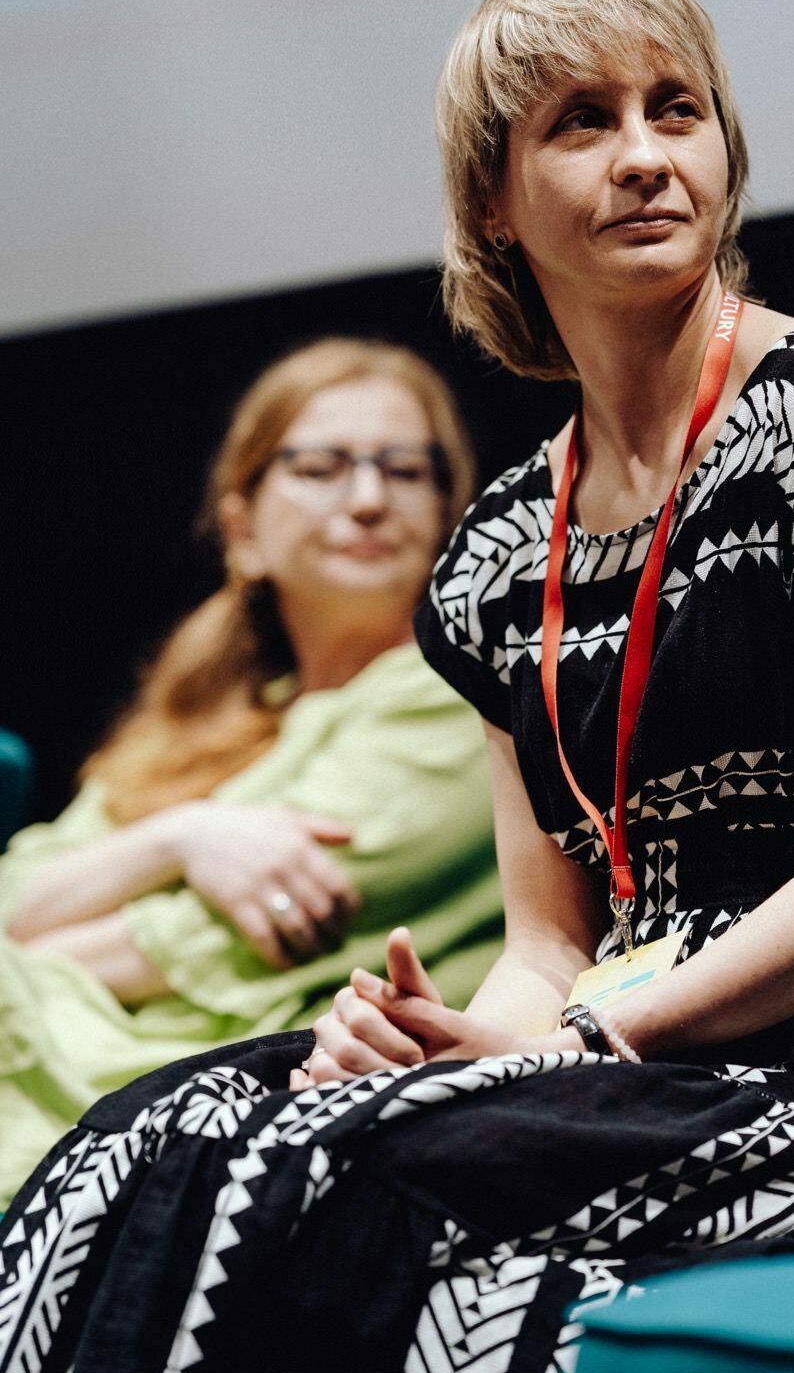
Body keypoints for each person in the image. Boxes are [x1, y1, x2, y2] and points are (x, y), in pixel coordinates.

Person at [0, 0, 794, 1373]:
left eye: (676, 110)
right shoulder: (502, 548)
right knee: (141, 1143)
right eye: (583, 121)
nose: (646, 155)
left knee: (317, 1187)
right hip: (613, 1058)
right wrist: (439, 1037)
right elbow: (548, 938)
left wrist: (570, 1039)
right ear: (497, 200)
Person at [0, 337, 501, 1204]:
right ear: (244, 531)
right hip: (70, 1072)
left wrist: (50, 934)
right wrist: (182, 836)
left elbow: (228, 936)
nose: (370, 499)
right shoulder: (194, 724)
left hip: (235, 1102)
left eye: (406, 470)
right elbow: (17, 890)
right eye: (321, 466)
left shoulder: (456, 694)